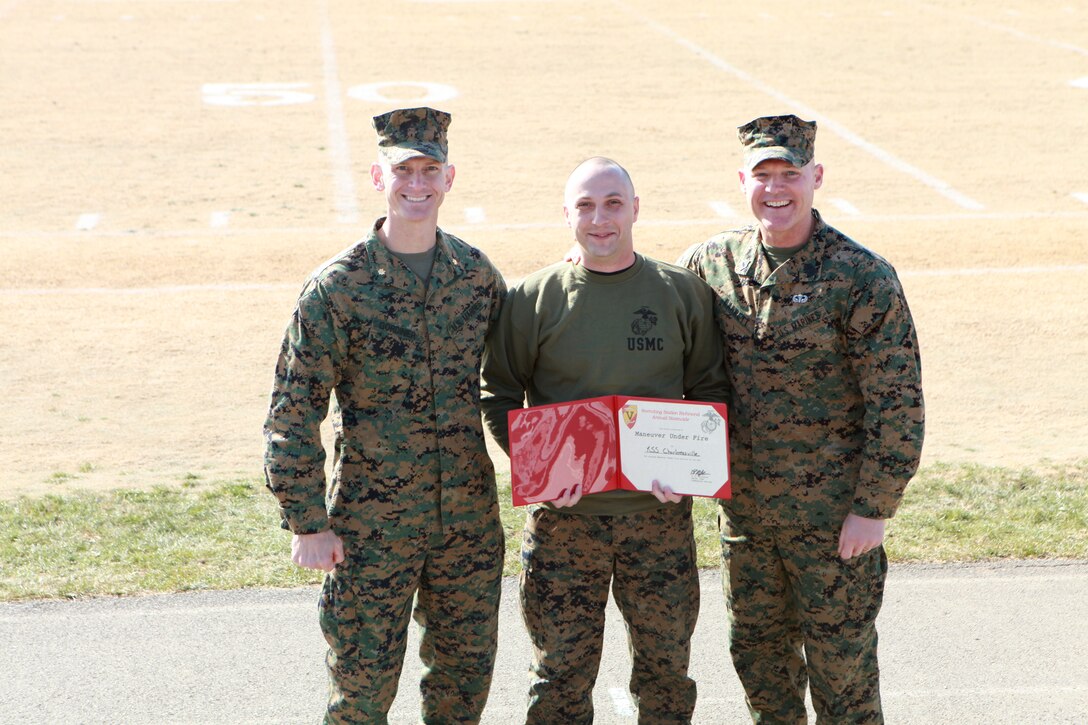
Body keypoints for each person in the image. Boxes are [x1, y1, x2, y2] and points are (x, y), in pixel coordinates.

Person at [263, 107, 507, 724]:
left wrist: (562, 465)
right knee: (362, 697)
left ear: (450, 177)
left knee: (462, 691)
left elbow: (512, 385)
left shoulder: (476, 277)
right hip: (372, 529)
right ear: (379, 175)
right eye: (404, 170)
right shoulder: (338, 288)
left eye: (430, 169)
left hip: (467, 528)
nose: (417, 184)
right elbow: (293, 410)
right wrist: (307, 522)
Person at [678, 114, 925, 724]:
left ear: (816, 176)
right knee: (760, 669)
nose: (776, 187)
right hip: (747, 520)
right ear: (743, 180)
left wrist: (873, 508)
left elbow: (898, 404)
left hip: (834, 524)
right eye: (763, 174)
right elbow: (665, 353)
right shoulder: (710, 264)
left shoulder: (860, 276)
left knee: (842, 680)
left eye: (790, 173)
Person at [481, 157, 729, 724]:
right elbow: (497, 393)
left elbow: (711, 391)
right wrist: (538, 470)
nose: (600, 219)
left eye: (613, 203)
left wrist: (692, 470)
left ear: (635, 209)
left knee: (666, 677)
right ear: (566, 213)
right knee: (560, 679)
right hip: (565, 525)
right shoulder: (531, 299)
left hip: (659, 521)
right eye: (586, 206)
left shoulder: (680, 293)